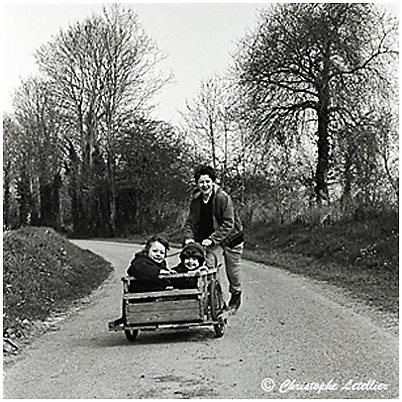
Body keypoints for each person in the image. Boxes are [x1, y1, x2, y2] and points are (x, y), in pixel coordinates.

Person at [183, 164, 244, 310]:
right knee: (209, 268)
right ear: (197, 184)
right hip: (210, 241)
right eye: (201, 182)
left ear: (213, 182)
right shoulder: (196, 200)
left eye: (207, 181)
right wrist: (189, 238)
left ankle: (236, 294)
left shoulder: (223, 198)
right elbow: (190, 222)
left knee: (232, 271)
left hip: (230, 239)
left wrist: (213, 238)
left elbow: (229, 223)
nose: (205, 185)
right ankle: (216, 299)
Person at [109, 235, 172, 328]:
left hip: (156, 296)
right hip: (141, 297)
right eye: (155, 251)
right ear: (147, 251)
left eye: (162, 253)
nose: (158, 254)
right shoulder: (140, 261)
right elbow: (138, 269)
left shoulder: (161, 264)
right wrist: (159, 272)